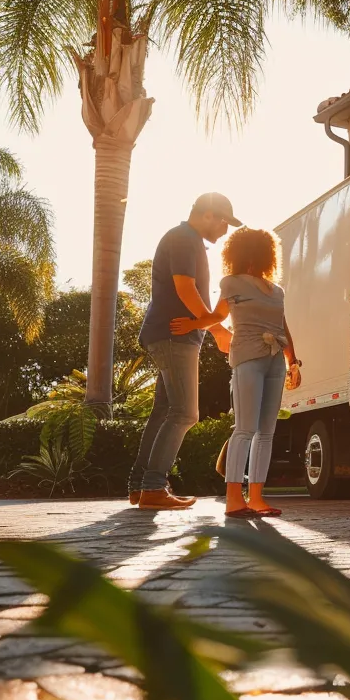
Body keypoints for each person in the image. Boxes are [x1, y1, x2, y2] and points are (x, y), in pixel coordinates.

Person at [128, 192, 239, 510]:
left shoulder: (185, 239)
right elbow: (184, 287)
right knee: (185, 413)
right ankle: (152, 488)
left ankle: (139, 487)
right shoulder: (184, 239)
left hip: (170, 334)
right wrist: (216, 328)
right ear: (207, 215)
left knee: (164, 412)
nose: (225, 230)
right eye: (223, 222)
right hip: (173, 336)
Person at [212, 228, 300, 518]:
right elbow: (217, 317)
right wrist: (195, 322)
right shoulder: (231, 282)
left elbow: (282, 325)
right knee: (245, 428)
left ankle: (257, 498)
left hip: (275, 359)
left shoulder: (277, 290)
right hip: (247, 357)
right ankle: (234, 499)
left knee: (267, 433)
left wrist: (293, 361)